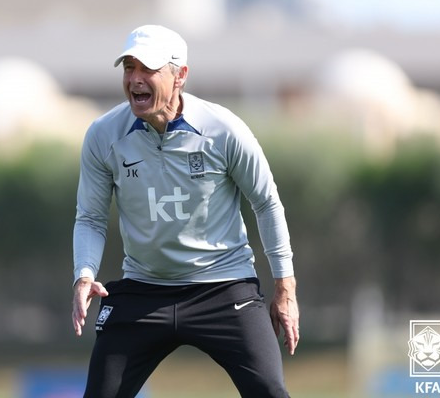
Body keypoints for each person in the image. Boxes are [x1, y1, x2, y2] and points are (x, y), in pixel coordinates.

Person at [72, 24, 299, 398]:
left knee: (270, 392)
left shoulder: (224, 130)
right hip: (144, 288)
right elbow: (91, 217)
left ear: (180, 76)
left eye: (148, 70)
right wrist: (84, 274)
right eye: (129, 68)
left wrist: (285, 289)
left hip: (224, 288)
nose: (135, 80)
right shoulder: (103, 135)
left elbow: (266, 203)